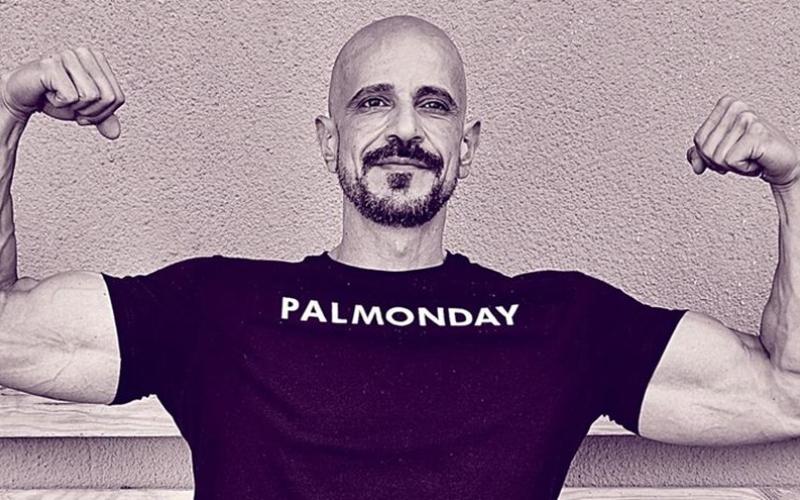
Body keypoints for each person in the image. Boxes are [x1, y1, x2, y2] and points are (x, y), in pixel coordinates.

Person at [0, 14, 798, 500]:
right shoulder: (215, 310)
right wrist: (7, 109)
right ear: (329, 139)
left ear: (466, 144)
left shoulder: (562, 324)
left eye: (433, 105)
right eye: (374, 102)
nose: (406, 129)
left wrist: (792, 185)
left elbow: (785, 394)